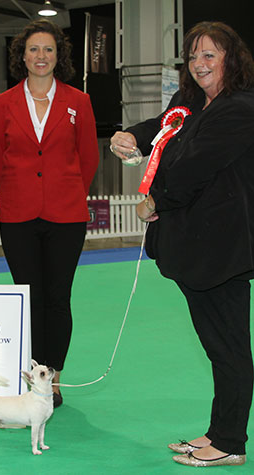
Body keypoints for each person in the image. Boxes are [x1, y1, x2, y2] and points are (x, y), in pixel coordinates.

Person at [110, 21, 254, 467]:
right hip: (194, 246)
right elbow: (161, 127)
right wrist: (131, 133)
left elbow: (194, 166)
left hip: (223, 249)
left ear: (231, 58)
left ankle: (230, 441)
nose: (199, 64)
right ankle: (219, 431)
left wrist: (156, 200)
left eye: (209, 55)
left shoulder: (240, 108)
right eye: (193, 56)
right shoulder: (189, 102)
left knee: (229, 347)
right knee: (216, 345)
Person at [0, 19, 99, 408]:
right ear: (22, 55)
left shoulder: (78, 102)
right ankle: (32, 374)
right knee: (28, 299)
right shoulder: (2, 104)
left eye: (48, 49)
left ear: (58, 56)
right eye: (33, 49)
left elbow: (89, 157)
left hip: (66, 215)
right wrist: (24, 191)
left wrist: (64, 191)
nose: (40, 56)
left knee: (57, 298)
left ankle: (53, 378)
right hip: (17, 215)